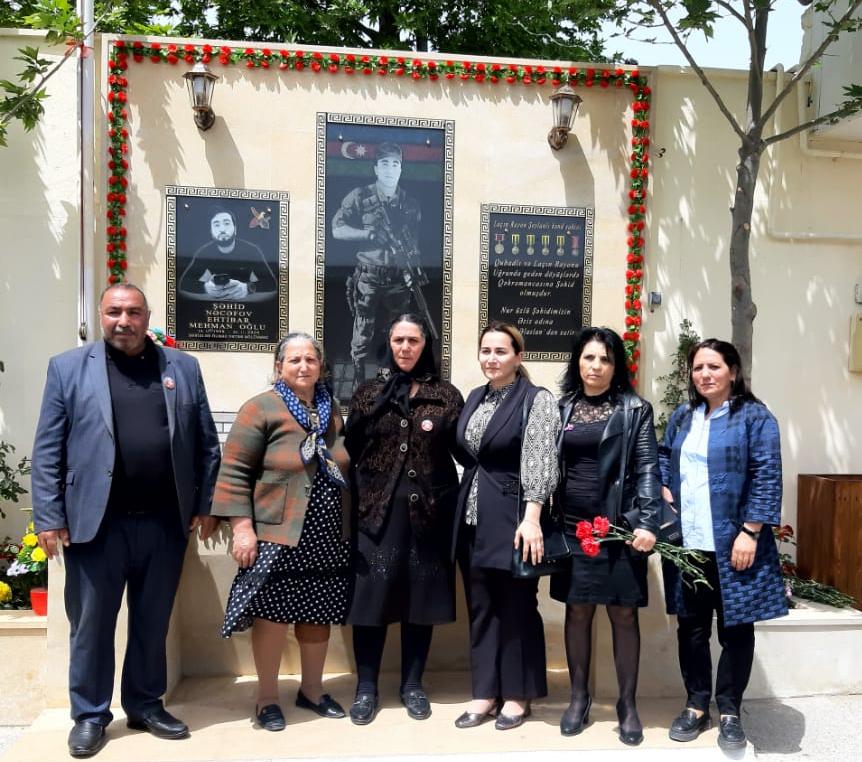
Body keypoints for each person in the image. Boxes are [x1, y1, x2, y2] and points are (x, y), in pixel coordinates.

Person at [30, 283, 221, 758]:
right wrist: (49, 516)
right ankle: (90, 715)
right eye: (115, 311)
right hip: (96, 526)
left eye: (133, 312)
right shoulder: (68, 368)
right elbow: (48, 448)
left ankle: (145, 704)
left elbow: (205, 444)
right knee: (92, 626)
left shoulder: (182, 368)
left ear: (147, 317)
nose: (124, 321)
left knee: (152, 622)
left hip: (164, 523)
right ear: (101, 315)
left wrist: (206, 503)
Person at [211, 332, 352, 731]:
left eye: (311, 360)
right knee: (272, 614)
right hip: (278, 533)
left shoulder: (329, 409)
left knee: (317, 612)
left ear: (321, 367)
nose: (304, 366)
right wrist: (242, 528)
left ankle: (312, 691)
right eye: (295, 360)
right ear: (279, 367)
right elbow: (234, 471)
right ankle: (267, 698)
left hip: (325, 534)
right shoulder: (261, 408)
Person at [659, 339, 787, 751]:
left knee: (736, 629)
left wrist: (750, 531)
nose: (704, 374)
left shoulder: (754, 416)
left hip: (735, 543)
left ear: (732, 371)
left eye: (713, 366)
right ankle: (696, 705)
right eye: (698, 368)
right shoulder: (683, 416)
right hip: (687, 543)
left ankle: (730, 711)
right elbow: (664, 455)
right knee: (691, 628)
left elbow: (767, 474)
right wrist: (664, 487)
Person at [343, 313, 463, 725]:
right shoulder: (368, 393)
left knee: (419, 602)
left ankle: (413, 685)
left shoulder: (446, 395)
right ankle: (366, 688)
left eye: (413, 340)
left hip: (427, 516)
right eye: (399, 340)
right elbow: (351, 447)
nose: (405, 347)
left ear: (425, 344)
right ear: (389, 343)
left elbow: (463, 450)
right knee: (370, 602)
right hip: (375, 516)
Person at [549, 327, 661, 746]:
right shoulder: (561, 408)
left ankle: (627, 704)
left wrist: (647, 522)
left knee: (623, 614)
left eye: (605, 359)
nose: (595, 366)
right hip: (572, 528)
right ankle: (579, 698)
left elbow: (648, 467)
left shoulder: (635, 409)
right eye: (589, 357)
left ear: (617, 367)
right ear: (577, 361)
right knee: (577, 610)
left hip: (618, 529)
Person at [452, 321, 560, 731]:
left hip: (514, 518)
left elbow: (540, 460)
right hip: (472, 519)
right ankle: (484, 692)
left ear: (518, 356)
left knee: (516, 607)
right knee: (481, 607)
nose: (491, 358)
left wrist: (532, 518)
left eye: (501, 351)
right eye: (486, 351)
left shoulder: (536, 399)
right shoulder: (475, 397)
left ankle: (517, 694)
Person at [331, 142, 427, 389]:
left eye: (395, 164)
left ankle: (388, 378)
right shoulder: (360, 197)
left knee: (396, 330)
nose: (389, 169)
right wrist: (367, 234)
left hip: (397, 277)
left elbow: (413, 243)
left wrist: (412, 271)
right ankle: (358, 379)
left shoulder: (410, 204)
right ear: (375, 168)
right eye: (384, 163)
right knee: (363, 327)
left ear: (401, 169)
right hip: (369, 275)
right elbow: (337, 229)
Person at [178, 205, 277, 302]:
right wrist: (205, 288)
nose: (222, 229)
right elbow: (184, 284)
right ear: (211, 231)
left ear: (235, 229)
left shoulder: (251, 251)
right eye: (216, 225)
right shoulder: (204, 253)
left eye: (226, 223)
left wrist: (248, 288)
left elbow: (271, 284)